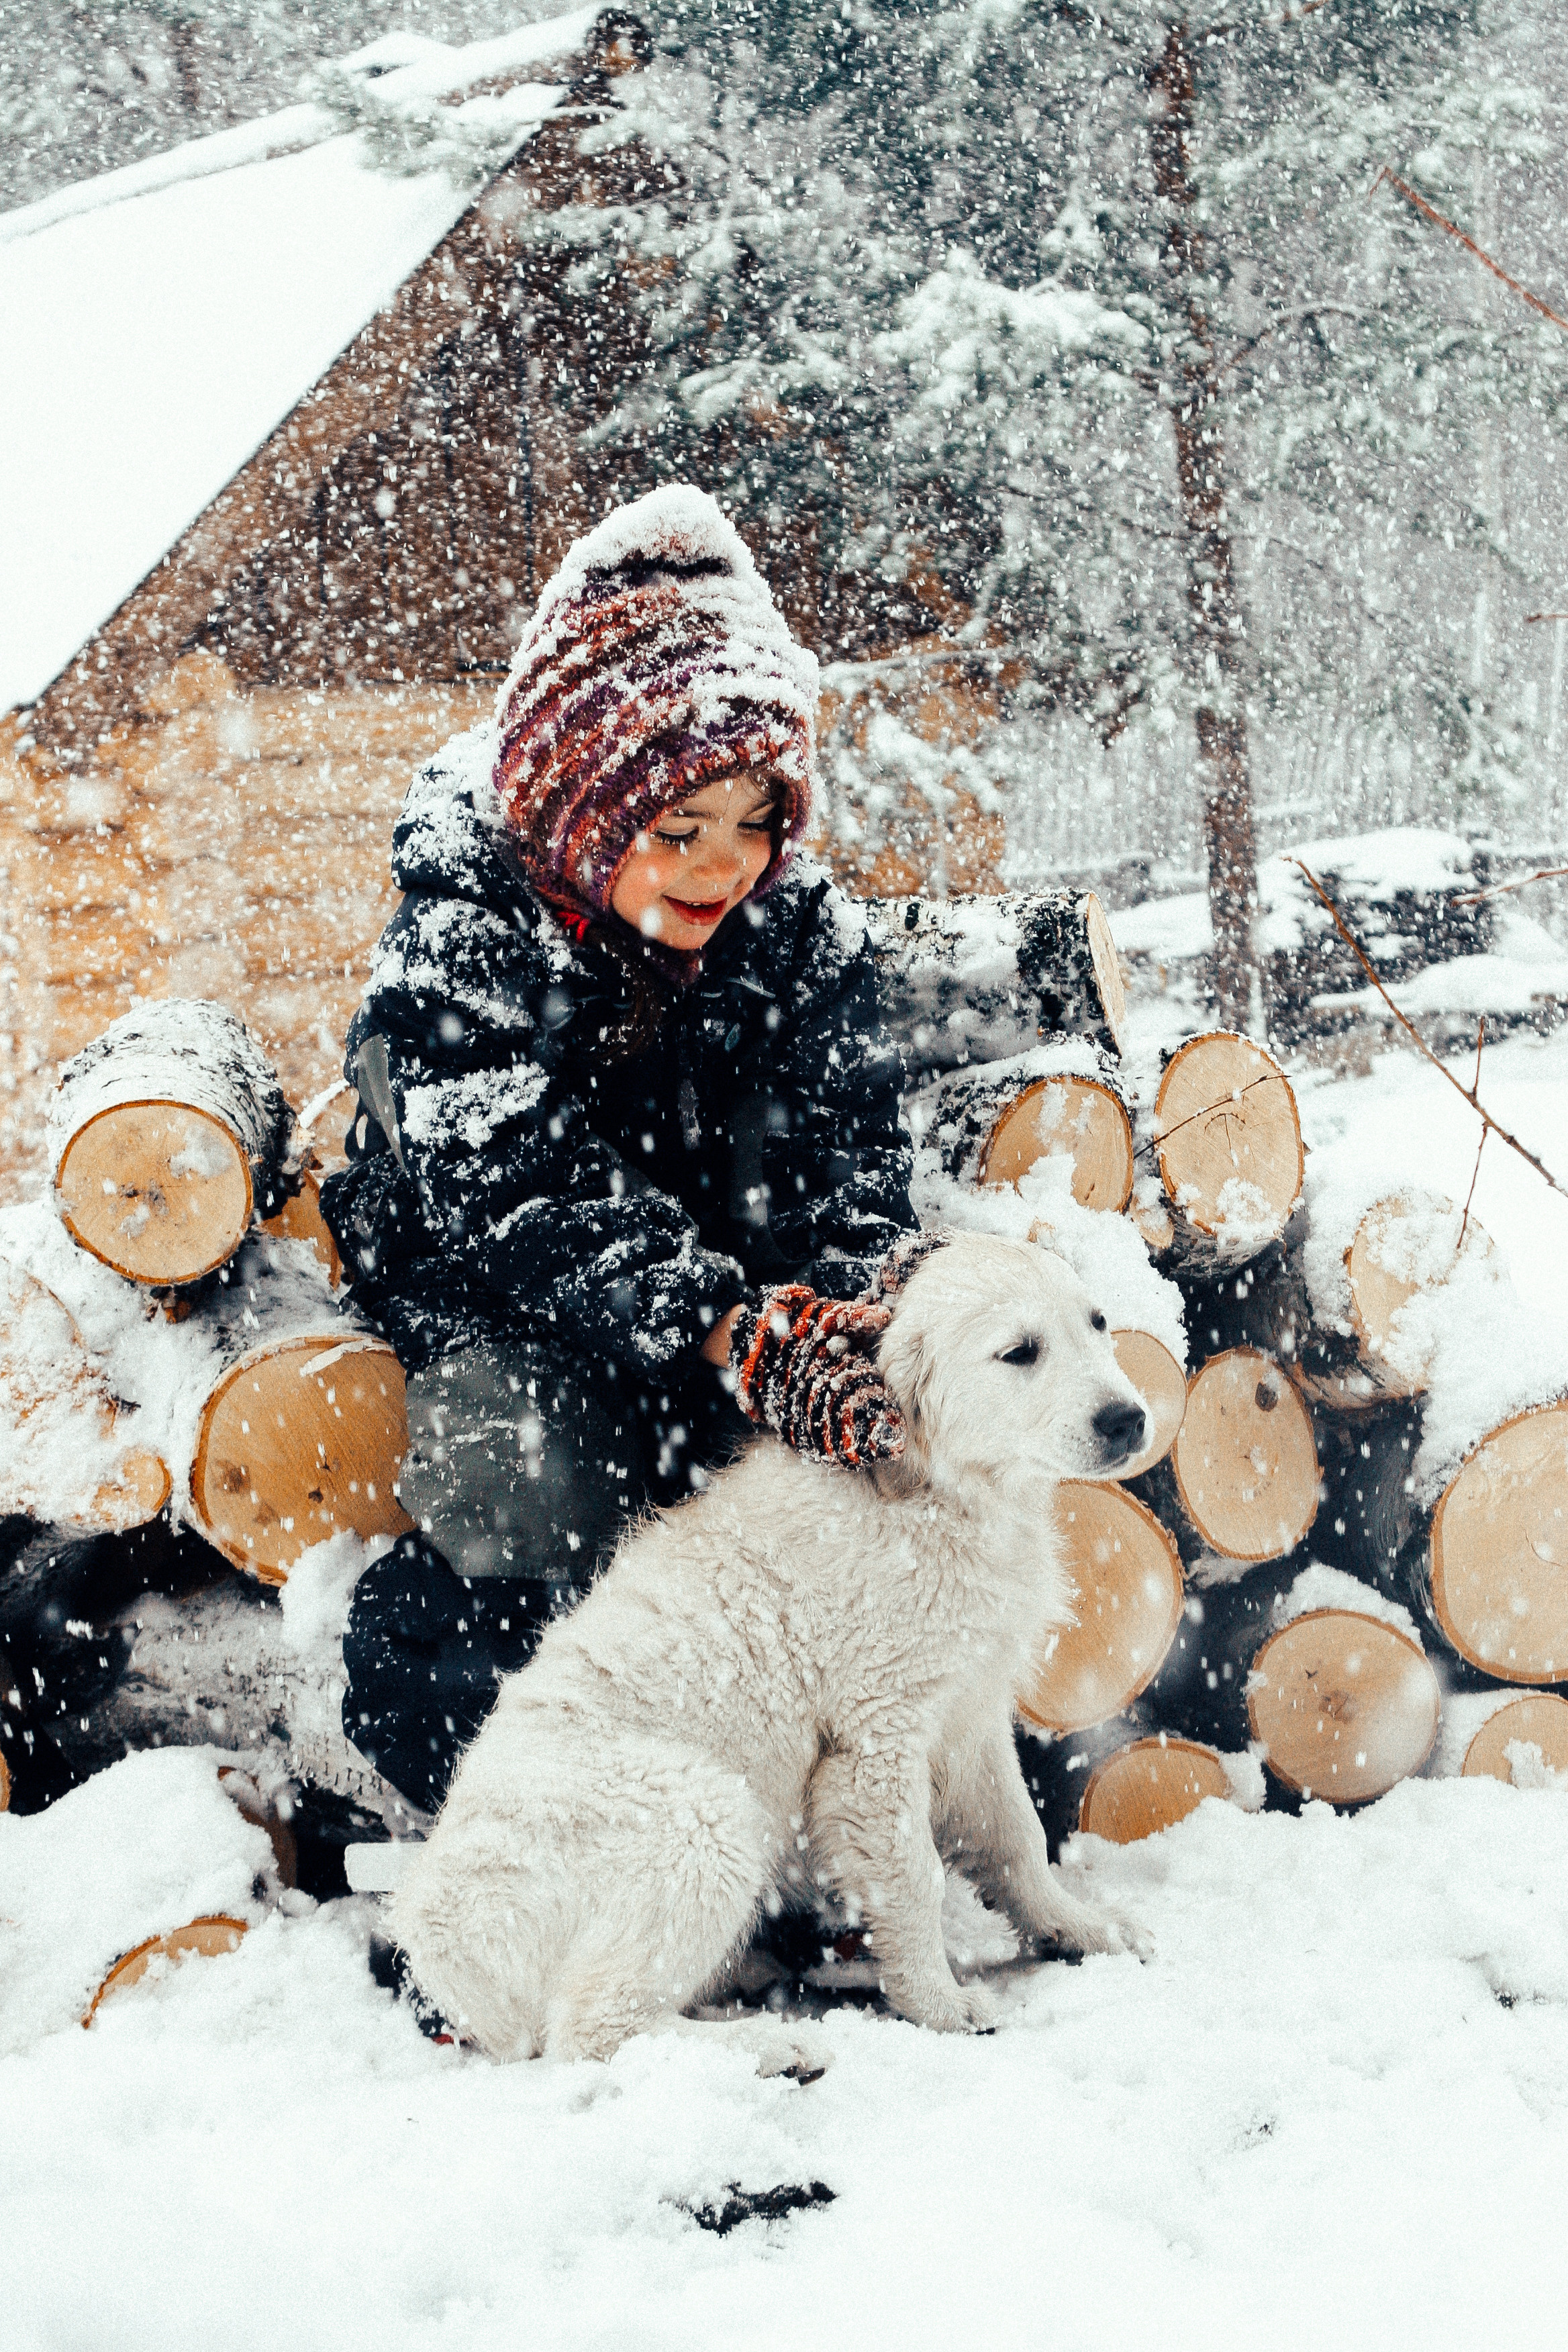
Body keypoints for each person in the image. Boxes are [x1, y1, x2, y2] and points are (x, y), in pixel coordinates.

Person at [322, 485, 921, 1812]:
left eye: (757, 819)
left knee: (835, 1508)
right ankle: (502, 1811)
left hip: (736, 1274)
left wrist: (836, 1314)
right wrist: (716, 1327)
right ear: (589, 810)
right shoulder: (464, 925)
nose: (728, 866)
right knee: (532, 1485)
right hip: (501, 1292)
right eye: (680, 829)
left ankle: (818, 1800)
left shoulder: (793, 924)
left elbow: (855, 1134)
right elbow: (500, 1177)